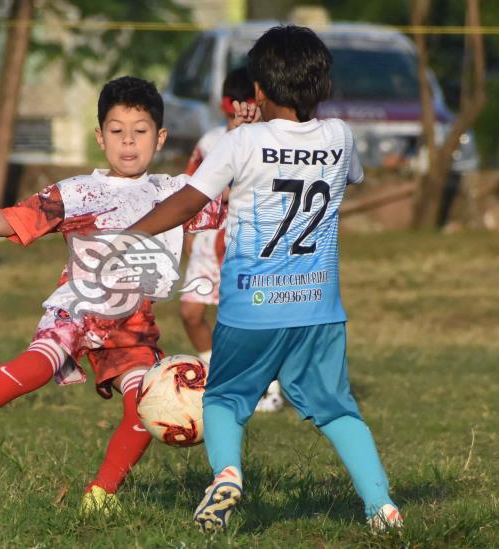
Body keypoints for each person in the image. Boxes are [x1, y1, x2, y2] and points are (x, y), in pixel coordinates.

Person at [0, 76, 225, 515]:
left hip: (133, 328)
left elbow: (237, 202)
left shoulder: (177, 193)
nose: (128, 141)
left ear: (159, 137)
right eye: (117, 130)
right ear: (99, 136)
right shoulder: (79, 191)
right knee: (35, 368)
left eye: (140, 131)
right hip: (76, 311)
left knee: (144, 406)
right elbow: (13, 220)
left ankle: (100, 497)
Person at [127, 26, 403, 533]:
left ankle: (227, 474)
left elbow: (192, 198)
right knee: (337, 410)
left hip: (251, 307)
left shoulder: (243, 141)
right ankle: (382, 508)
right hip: (319, 308)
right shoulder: (340, 135)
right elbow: (355, 176)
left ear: (256, 91)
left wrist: (134, 231)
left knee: (225, 399)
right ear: (323, 88)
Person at [179, 67, 285, 414]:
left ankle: (268, 387)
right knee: (191, 313)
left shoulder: (269, 142)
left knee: (245, 321)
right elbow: (189, 187)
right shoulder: (210, 142)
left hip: (247, 243)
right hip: (208, 243)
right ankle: (215, 377)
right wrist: (189, 232)